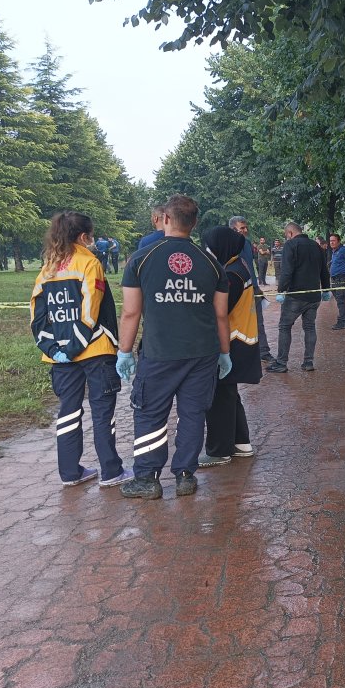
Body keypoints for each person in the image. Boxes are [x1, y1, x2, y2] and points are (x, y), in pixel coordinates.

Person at [115, 194, 231, 500]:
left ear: (166, 218)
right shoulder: (212, 263)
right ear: (193, 224)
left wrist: (124, 351)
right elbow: (220, 314)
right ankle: (185, 476)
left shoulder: (141, 259)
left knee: (151, 413)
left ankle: (147, 479)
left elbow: (130, 312)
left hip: (159, 352)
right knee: (193, 413)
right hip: (203, 353)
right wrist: (225, 353)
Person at [29, 211, 132, 488]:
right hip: (94, 349)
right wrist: (76, 345)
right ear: (85, 237)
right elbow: (90, 308)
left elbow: (37, 314)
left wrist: (52, 346)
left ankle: (70, 472)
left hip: (59, 355)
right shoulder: (89, 262)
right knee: (102, 412)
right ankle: (111, 471)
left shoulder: (48, 267)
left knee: (68, 412)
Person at [199, 226, 263, 467]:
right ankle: (240, 443)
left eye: (210, 247)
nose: (208, 251)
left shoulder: (231, 274)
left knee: (218, 399)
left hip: (231, 342)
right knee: (229, 395)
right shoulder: (238, 267)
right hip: (240, 340)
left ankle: (219, 451)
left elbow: (219, 312)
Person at [268, 222, 329, 373]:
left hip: (295, 295)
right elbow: (324, 270)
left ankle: (281, 363)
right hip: (314, 296)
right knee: (309, 327)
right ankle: (308, 362)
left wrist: (281, 290)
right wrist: (326, 289)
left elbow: (287, 271)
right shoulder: (317, 246)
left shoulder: (290, 245)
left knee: (284, 327)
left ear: (289, 233)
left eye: (286, 235)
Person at [229, 216, 274, 362]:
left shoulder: (247, 244)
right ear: (233, 229)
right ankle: (234, 353)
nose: (245, 230)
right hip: (236, 291)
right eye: (242, 228)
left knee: (258, 321)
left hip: (252, 290)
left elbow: (249, 266)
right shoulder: (226, 244)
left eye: (245, 227)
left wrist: (256, 286)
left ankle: (263, 351)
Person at [328, 233, 345, 329]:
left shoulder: (344, 250)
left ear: (339, 241)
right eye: (330, 241)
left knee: (340, 301)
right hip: (335, 280)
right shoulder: (334, 252)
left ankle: (343, 322)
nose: (331, 242)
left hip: (342, 279)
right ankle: (342, 320)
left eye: (333, 240)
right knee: (339, 301)